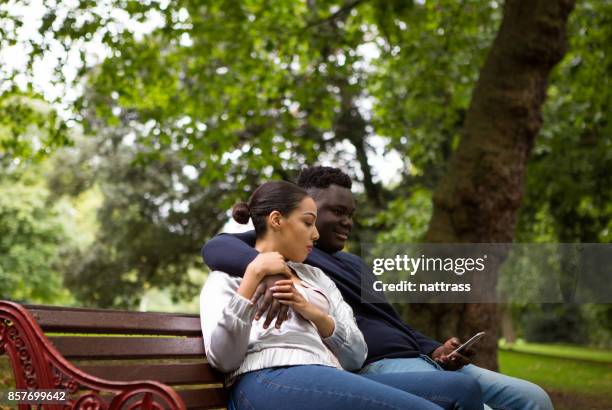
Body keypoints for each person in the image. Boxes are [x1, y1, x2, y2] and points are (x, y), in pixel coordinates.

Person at [202, 167, 554, 410]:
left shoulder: (326, 273)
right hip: (285, 373)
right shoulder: (238, 264)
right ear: (280, 218)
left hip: (342, 368)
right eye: (315, 219)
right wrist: (258, 271)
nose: (345, 222)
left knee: (494, 392)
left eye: (351, 213)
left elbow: (367, 340)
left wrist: (432, 349)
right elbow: (222, 247)